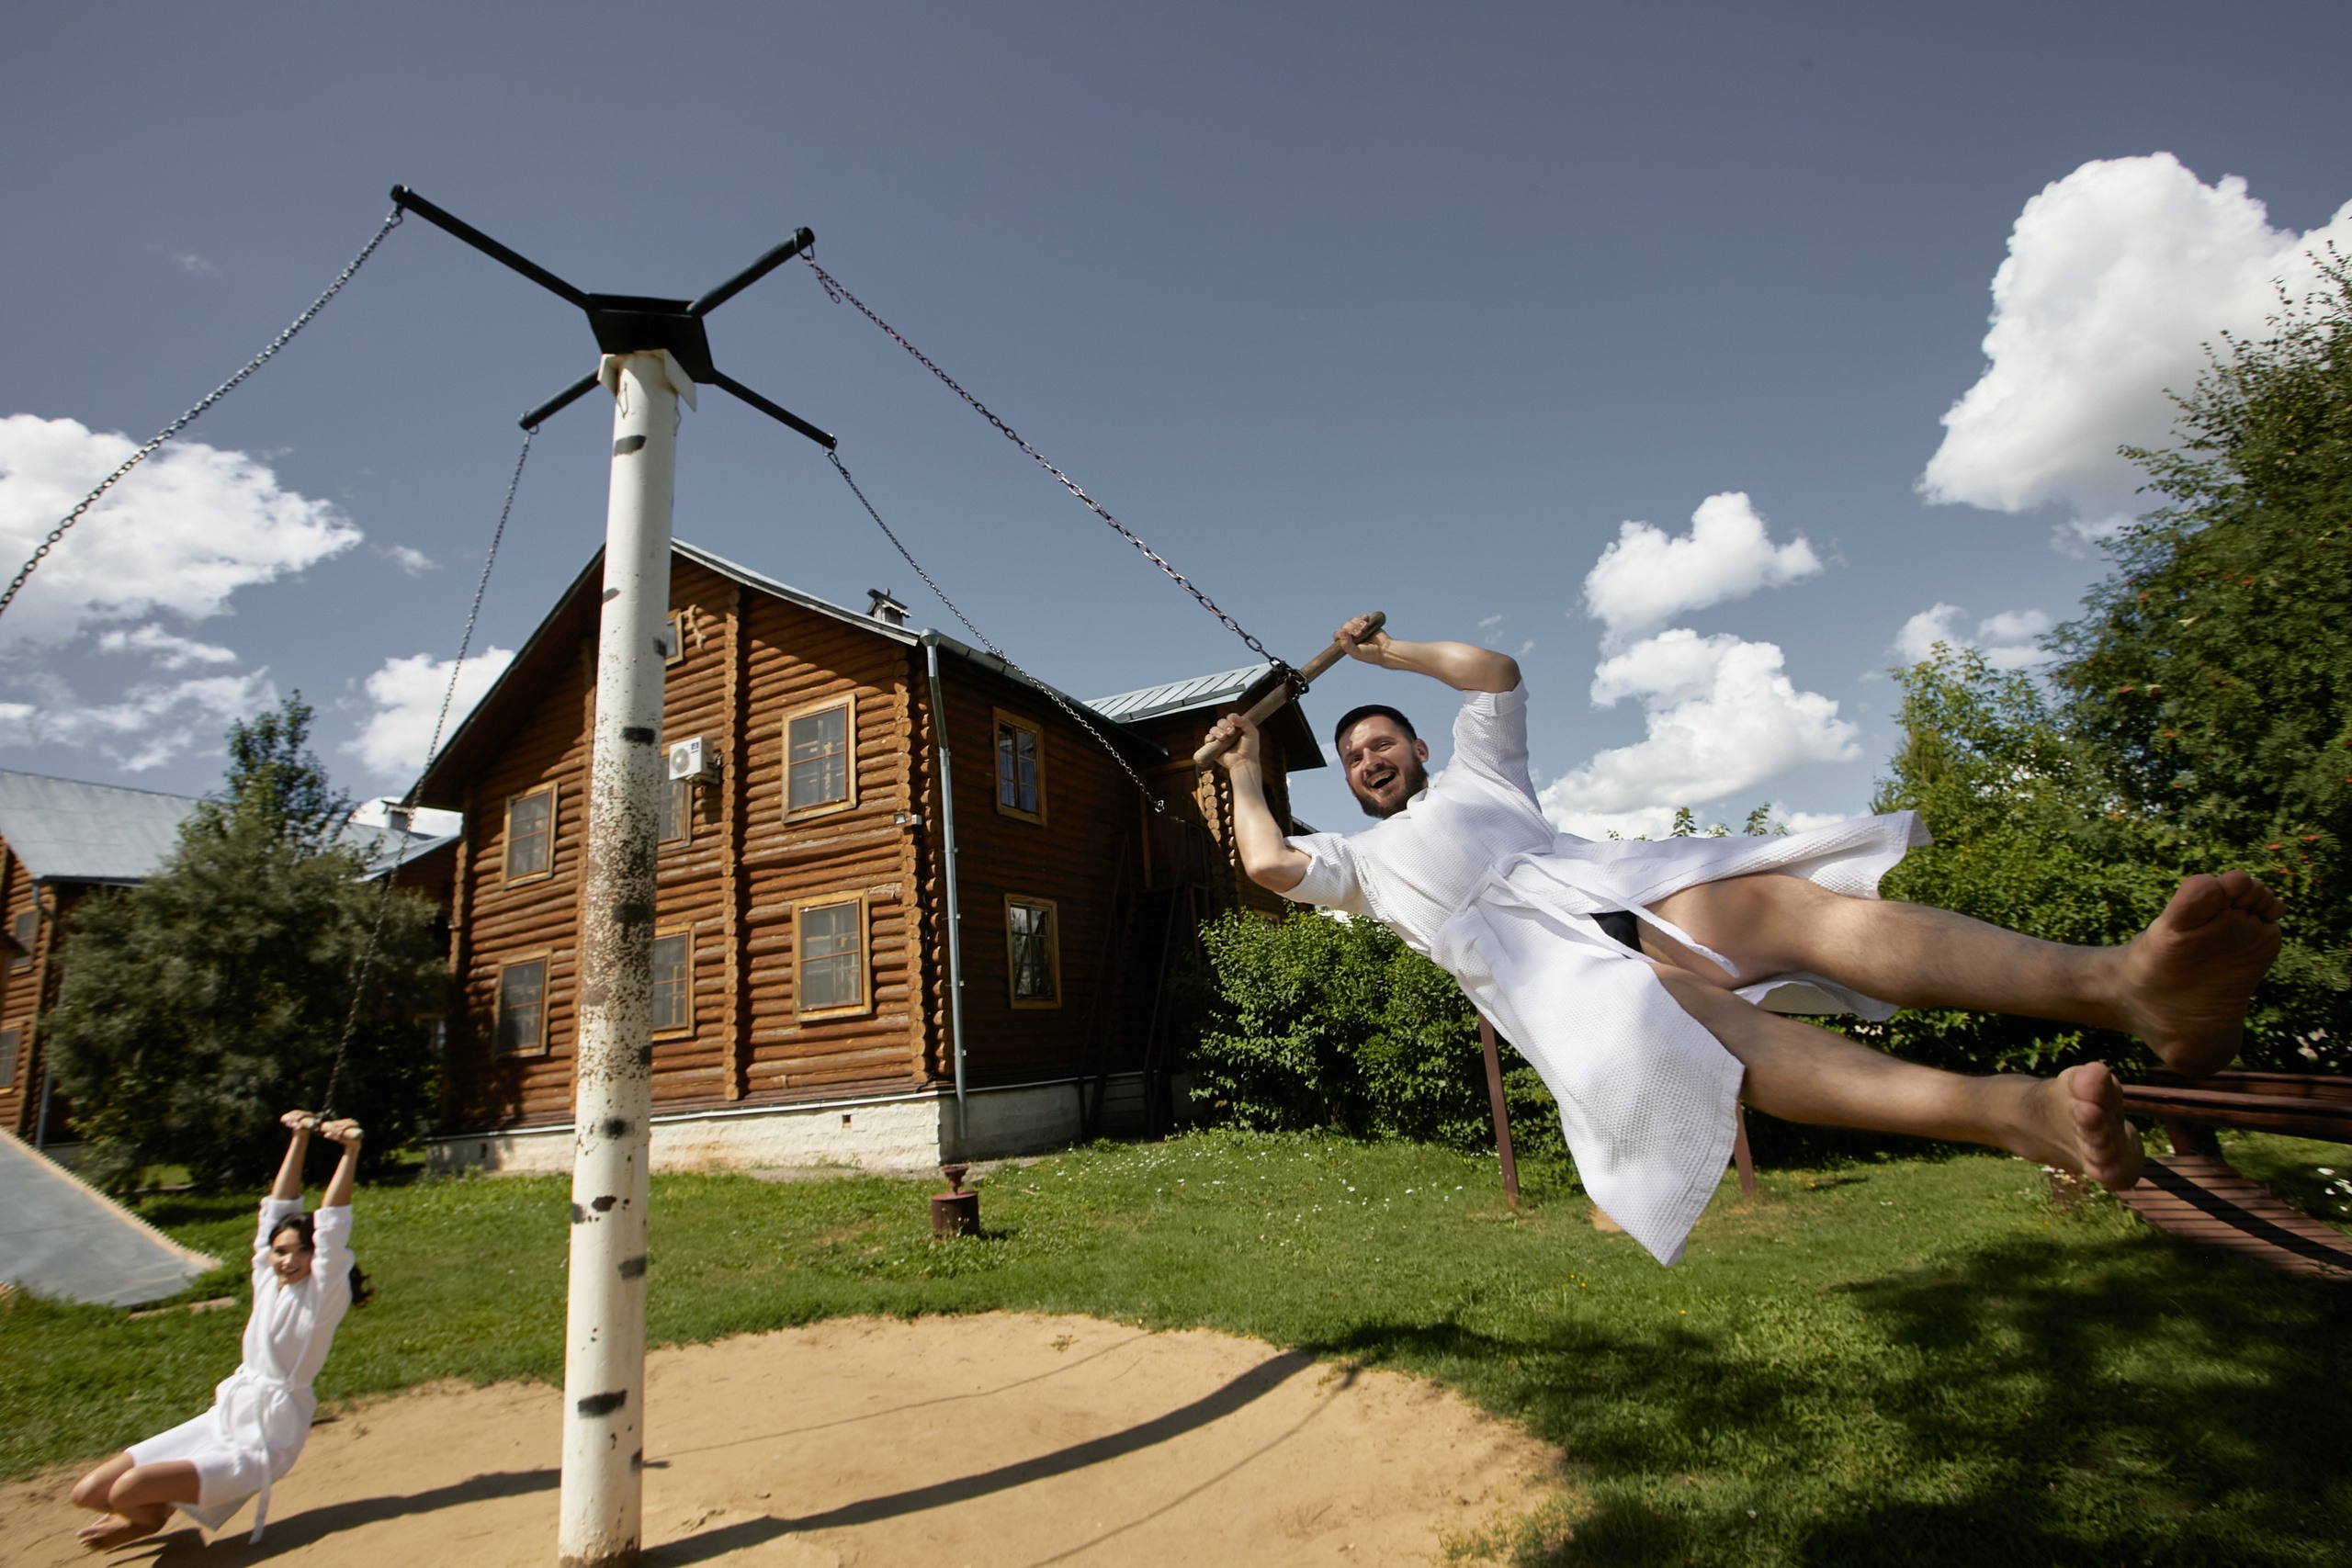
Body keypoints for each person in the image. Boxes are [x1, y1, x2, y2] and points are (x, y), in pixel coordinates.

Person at [1204, 615, 2284, 1266]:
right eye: (1355, 759)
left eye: (1383, 741)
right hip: (1575, 987)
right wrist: (1246, 768)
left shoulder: (1486, 777)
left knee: (1794, 907)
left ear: (1417, 748)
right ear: (1347, 784)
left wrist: (1390, 655)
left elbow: (1493, 674)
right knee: (1728, 1049)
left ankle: (2125, 986)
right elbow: (1265, 863)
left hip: (1623, 890)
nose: (1370, 760)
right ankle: (2023, 1115)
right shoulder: (1360, 866)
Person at [70, 1111, 368, 1549]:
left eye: (301, 1252)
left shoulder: (323, 1295)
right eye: (280, 1251)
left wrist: (350, 1151)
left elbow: (333, 1225)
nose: (288, 1260)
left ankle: (147, 1520)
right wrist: (300, 1137)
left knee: (125, 1492)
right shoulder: (269, 1279)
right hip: (223, 1418)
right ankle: (156, 1507)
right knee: (89, 1493)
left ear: (316, 1256)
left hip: (263, 1439)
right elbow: (276, 1211)